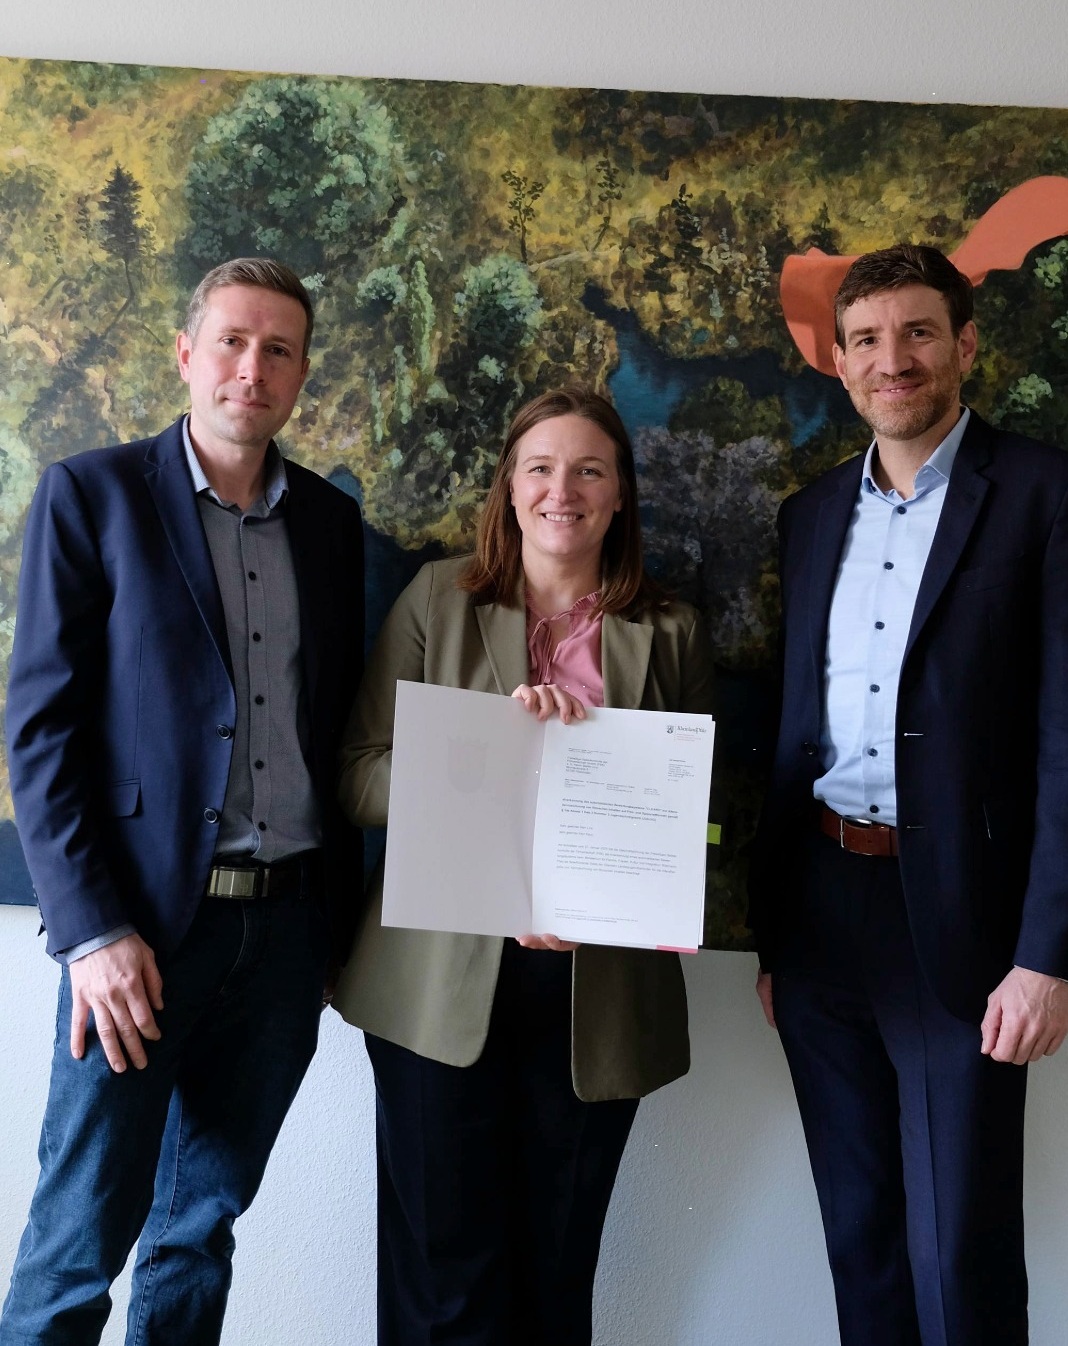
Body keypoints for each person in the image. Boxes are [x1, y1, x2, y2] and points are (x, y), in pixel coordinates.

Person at [1, 258, 364, 1345]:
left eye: (279, 350)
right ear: (187, 355)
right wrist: (92, 934)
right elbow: (40, 733)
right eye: (233, 342)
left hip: (286, 934)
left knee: (199, 1232)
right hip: (142, 938)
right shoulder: (93, 495)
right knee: (78, 1241)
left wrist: (335, 932)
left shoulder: (331, 525)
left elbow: (336, 724)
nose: (253, 368)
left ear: (301, 373)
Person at [332, 385, 715, 1346]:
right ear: (510, 486)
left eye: (589, 470)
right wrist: (488, 762)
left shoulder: (670, 629)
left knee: (555, 1276)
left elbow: (689, 820)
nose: (562, 490)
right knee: (442, 1283)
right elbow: (359, 776)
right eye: (540, 468)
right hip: (436, 988)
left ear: (619, 493)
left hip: (598, 997)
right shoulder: (439, 598)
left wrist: (604, 883)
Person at [748, 243, 1068, 1346]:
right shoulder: (809, 514)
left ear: (964, 344)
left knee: (958, 1252)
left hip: (965, 923)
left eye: (919, 332)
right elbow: (792, 721)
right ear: (840, 363)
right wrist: (775, 938)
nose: (895, 360)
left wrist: (1046, 955)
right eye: (869, 340)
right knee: (861, 1239)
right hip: (819, 916)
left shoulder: (1045, 495)